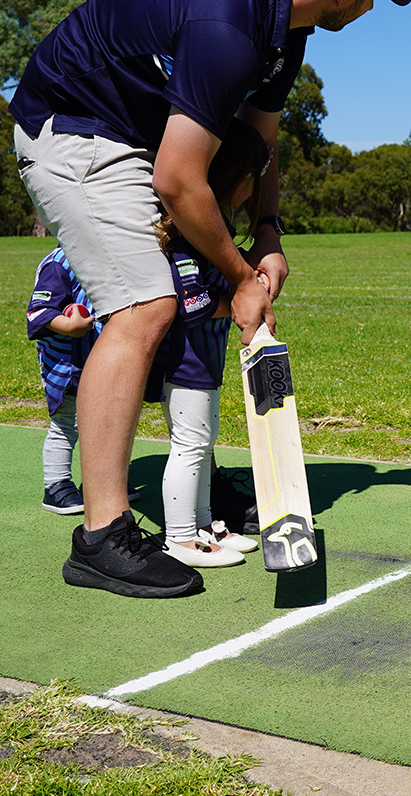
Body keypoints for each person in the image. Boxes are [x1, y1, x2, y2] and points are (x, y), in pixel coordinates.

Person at [10, 0, 411, 598]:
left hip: (140, 136)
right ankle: (102, 537)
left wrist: (268, 239)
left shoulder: (286, 31)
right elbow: (175, 179)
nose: (373, 7)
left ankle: (197, 477)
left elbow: (261, 143)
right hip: (76, 131)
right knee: (145, 305)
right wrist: (239, 278)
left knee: (186, 269)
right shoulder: (228, 26)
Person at [155, 118, 266, 569]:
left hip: (206, 366)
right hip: (185, 367)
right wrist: (239, 301)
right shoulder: (187, 240)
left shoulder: (214, 239)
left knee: (203, 444)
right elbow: (194, 305)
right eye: (250, 178)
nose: (254, 187)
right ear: (232, 178)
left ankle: (204, 526)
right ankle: (180, 537)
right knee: (190, 445)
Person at [26, 247, 140, 514]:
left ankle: (104, 484)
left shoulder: (109, 255)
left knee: (107, 425)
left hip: (104, 359)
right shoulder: (59, 263)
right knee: (66, 424)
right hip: (67, 365)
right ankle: (56, 486)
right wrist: (69, 326)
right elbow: (38, 310)